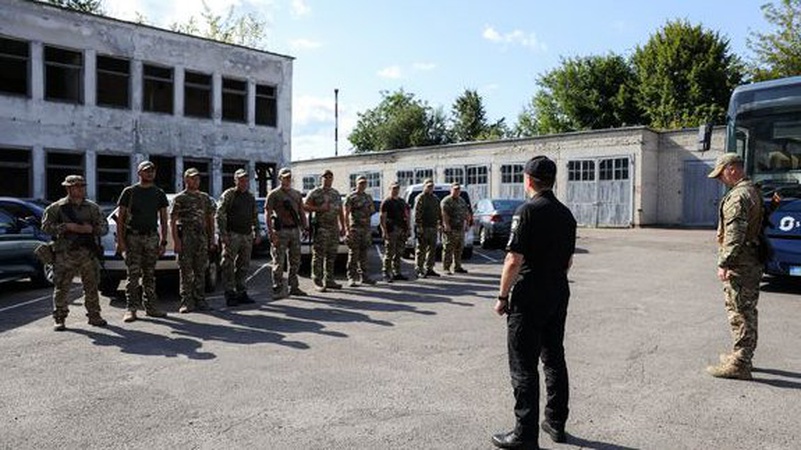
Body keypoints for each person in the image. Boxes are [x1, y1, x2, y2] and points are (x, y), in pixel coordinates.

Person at [492, 156, 576, 450]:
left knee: (523, 365)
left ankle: (525, 434)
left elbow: (513, 259)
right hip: (558, 289)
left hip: (530, 294)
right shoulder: (566, 214)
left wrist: (502, 296)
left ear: (528, 179)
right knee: (554, 357)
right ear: (552, 180)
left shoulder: (526, 211)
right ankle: (556, 422)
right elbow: (568, 261)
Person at [705, 153, 764, 380]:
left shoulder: (739, 196)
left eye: (721, 174)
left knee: (740, 312)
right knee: (746, 310)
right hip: (750, 259)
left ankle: (740, 363)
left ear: (731, 169)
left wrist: (724, 262)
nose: (720, 179)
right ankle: (741, 355)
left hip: (741, 263)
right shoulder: (752, 190)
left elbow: (735, 234)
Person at [41, 175, 108, 331]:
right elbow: (45, 227)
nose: (80, 189)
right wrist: (66, 227)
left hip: (87, 253)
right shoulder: (57, 208)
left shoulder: (92, 208)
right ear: (68, 188)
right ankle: (60, 318)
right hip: (65, 254)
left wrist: (91, 229)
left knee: (91, 286)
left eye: (82, 186)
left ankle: (94, 316)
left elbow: (104, 228)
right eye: (76, 186)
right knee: (62, 287)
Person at [116, 160, 170, 322]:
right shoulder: (130, 192)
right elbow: (120, 218)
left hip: (151, 238)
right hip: (133, 238)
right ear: (139, 173)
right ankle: (131, 309)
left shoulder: (158, 193)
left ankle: (151, 307)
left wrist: (163, 242)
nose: (150, 173)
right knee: (133, 275)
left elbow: (164, 218)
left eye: (152, 171)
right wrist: (121, 241)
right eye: (146, 171)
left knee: (149, 275)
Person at [170, 168, 216, 313]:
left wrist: (212, 239)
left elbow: (210, 219)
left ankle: (200, 300)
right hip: (186, 237)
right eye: (192, 178)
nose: (195, 181)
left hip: (201, 237)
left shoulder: (205, 198)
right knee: (186, 271)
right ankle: (186, 302)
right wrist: (176, 241)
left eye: (197, 178)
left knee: (200, 270)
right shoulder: (180, 198)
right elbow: (173, 221)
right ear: (186, 180)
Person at [217, 168, 261, 306]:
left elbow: (254, 215)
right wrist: (223, 234)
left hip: (246, 235)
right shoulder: (229, 195)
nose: (244, 183)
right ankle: (230, 294)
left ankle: (241, 292)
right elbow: (220, 214)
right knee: (228, 265)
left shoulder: (250, 197)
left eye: (246, 180)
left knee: (244, 265)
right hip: (232, 234)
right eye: (241, 180)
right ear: (235, 180)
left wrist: (257, 232)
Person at [266, 167, 308, 298]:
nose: (287, 179)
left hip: (294, 230)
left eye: (289, 177)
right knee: (279, 261)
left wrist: (305, 227)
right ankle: (278, 288)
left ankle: (293, 287)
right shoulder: (274, 194)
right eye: (285, 177)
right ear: (280, 178)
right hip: (280, 231)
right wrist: (271, 233)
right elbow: (268, 213)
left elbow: (301, 211)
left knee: (295, 261)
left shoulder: (296, 194)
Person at [304, 169, 345, 292]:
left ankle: (330, 280)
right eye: (325, 177)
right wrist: (319, 209)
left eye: (330, 177)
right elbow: (304, 207)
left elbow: (340, 211)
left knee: (331, 255)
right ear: (321, 179)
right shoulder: (315, 192)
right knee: (319, 255)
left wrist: (343, 226)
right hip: (321, 228)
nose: (327, 179)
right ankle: (317, 281)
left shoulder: (335, 193)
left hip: (334, 228)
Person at [344, 175, 376, 287]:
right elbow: (346, 214)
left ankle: (365, 277)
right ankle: (351, 277)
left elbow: (372, 211)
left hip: (366, 229)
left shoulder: (368, 197)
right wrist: (347, 229)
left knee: (364, 254)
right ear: (356, 184)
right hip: (355, 229)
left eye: (364, 183)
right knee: (354, 254)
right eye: (360, 183)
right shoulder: (351, 197)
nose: (362, 185)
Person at [380, 181, 409, 282]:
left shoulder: (402, 201)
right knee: (389, 253)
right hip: (391, 230)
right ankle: (386, 272)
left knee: (399, 252)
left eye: (397, 188)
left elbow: (406, 215)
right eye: (393, 188)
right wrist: (384, 231)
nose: (395, 190)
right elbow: (383, 217)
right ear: (390, 189)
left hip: (401, 229)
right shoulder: (386, 202)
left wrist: (407, 228)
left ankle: (397, 272)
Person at [440, 182, 472, 275]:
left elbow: (466, 213)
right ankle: (446, 268)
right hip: (451, 229)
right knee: (448, 248)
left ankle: (457, 266)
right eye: (455, 189)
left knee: (459, 248)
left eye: (458, 190)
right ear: (451, 190)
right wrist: (446, 225)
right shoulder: (446, 201)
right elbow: (444, 214)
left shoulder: (461, 200)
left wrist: (467, 224)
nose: (456, 191)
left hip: (460, 228)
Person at [414, 179, 441, 278]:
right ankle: (419, 269)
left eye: (431, 187)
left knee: (432, 249)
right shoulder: (421, 198)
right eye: (428, 186)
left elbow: (438, 212)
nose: (430, 188)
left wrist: (439, 224)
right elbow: (417, 213)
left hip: (433, 227)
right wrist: (419, 226)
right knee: (421, 249)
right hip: (423, 227)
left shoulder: (435, 198)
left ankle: (429, 268)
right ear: (424, 187)